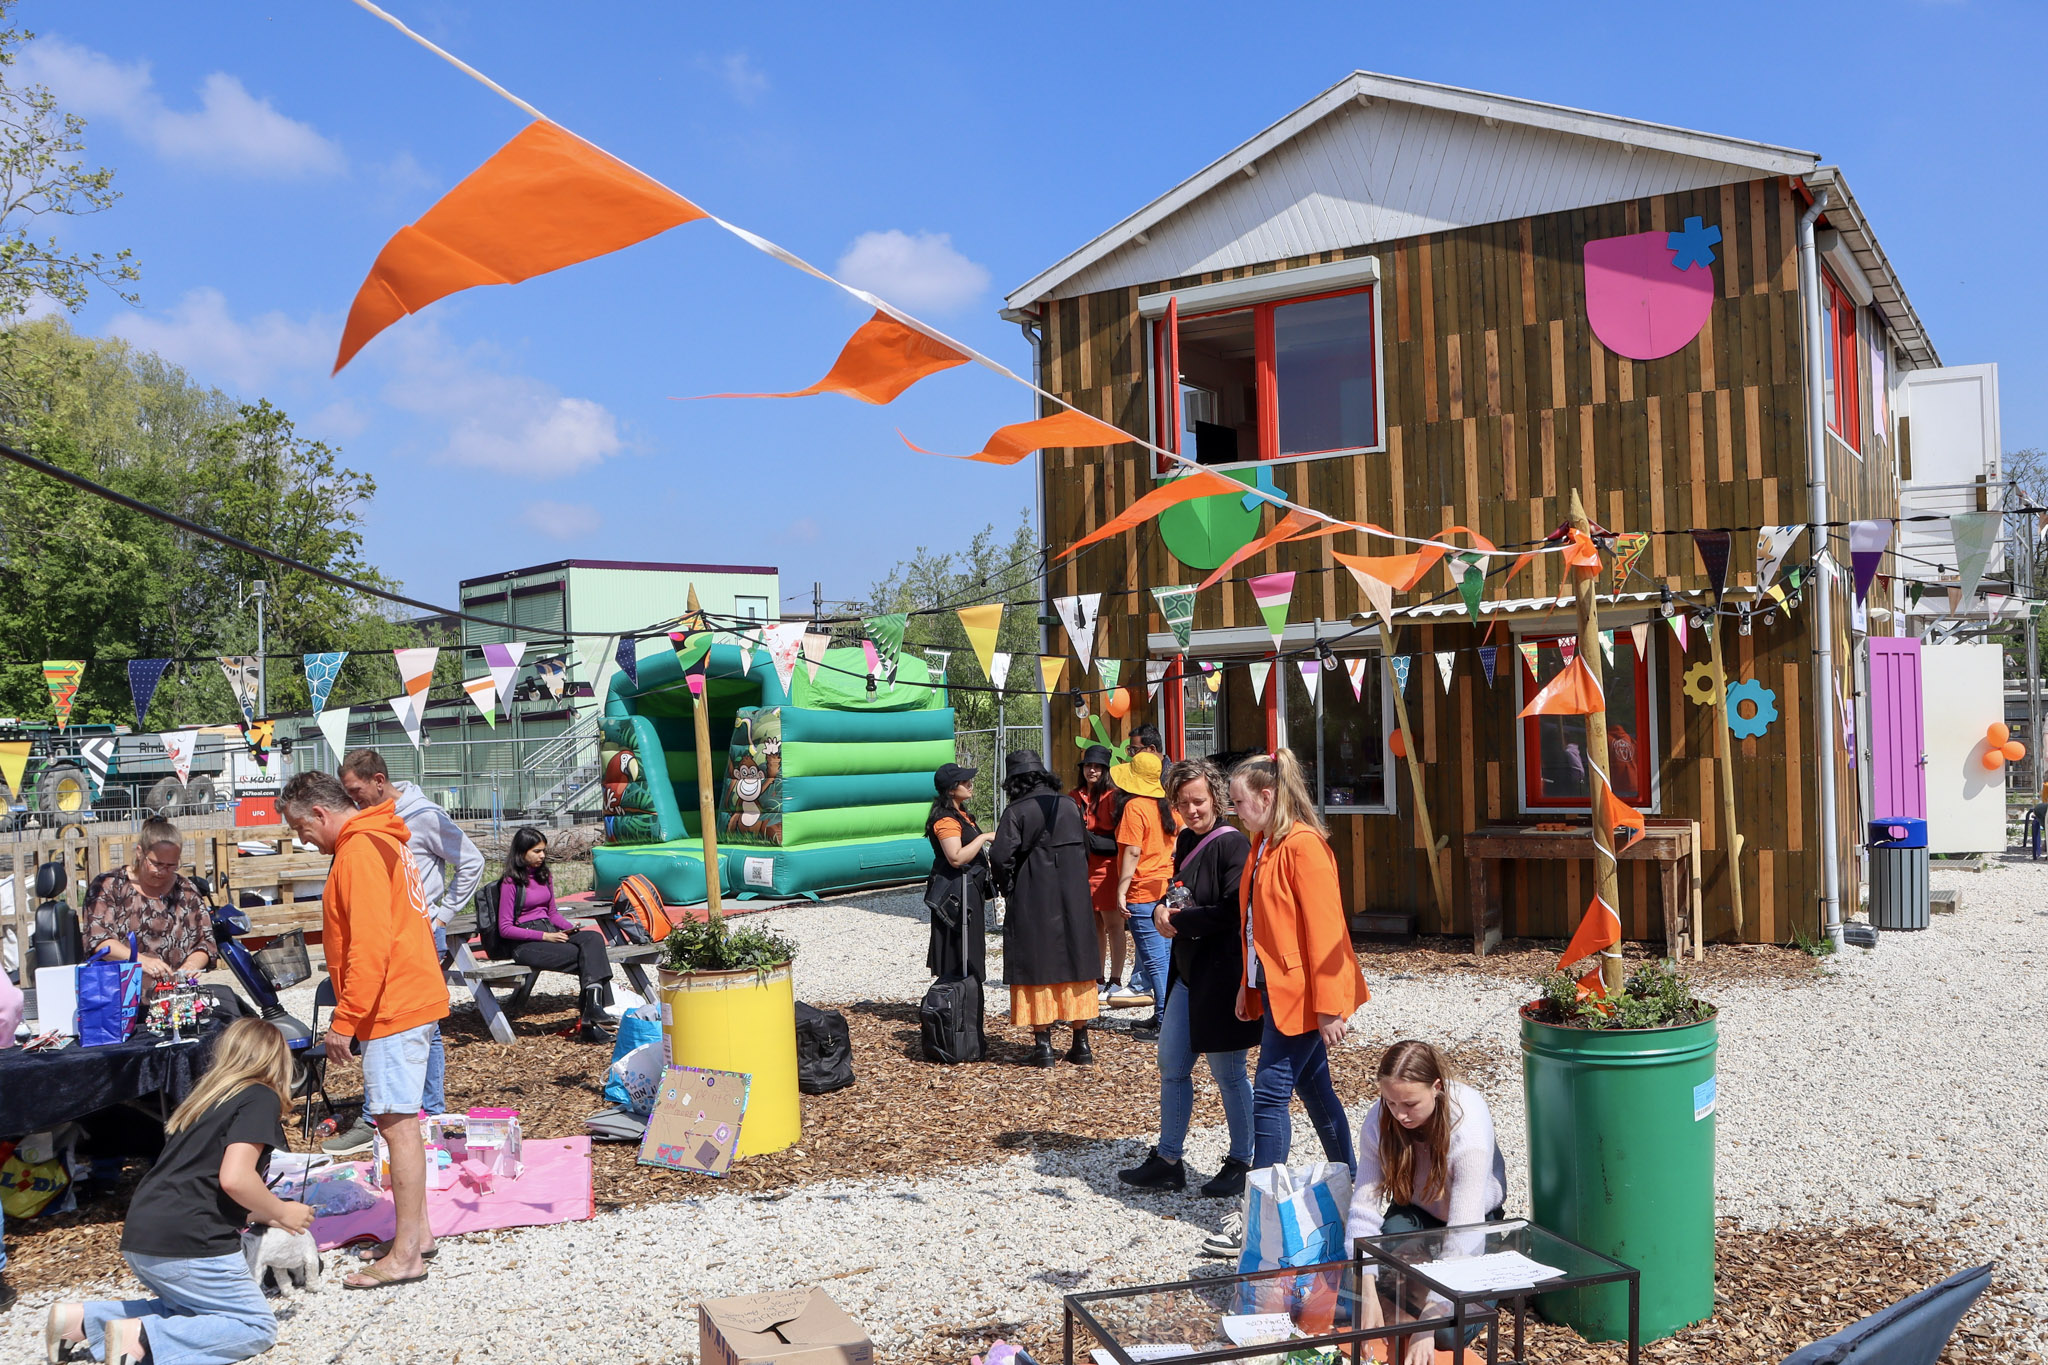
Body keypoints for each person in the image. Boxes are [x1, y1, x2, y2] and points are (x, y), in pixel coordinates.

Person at [44, 1017, 314, 1364]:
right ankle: (141, 1339)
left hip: (146, 1231)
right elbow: (235, 1178)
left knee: (188, 1307)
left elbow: (208, 1182)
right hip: (191, 1239)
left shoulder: (204, 1101)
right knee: (255, 1326)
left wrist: (266, 1213)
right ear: (278, 1061)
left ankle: (82, 1320)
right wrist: (281, 1210)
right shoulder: (259, 1096)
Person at [279, 770, 446, 1290]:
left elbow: (370, 947)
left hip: (393, 1003)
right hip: (403, 997)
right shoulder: (380, 837)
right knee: (402, 1125)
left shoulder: (357, 851)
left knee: (397, 1127)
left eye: (301, 828)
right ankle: (415, 1236)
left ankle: (406, 1257)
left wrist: (344, 1020)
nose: (301, 840)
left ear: (320, 813)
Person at [1204, 748, 1368, 1260]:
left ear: (1267, 797)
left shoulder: (1302, 846)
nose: (1232, 810)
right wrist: (1246, 984)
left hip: (1303, 996)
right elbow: (1255, 927)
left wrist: (1331, 1005)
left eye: (1237, 801)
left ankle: (1262, 1214)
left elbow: (1327, 930)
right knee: (1315, 1091)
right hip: (1279, 991)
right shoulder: (1264, 843)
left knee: (1270, 1092)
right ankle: (1361, 1193)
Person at [327, 750, 484, 1156]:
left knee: (418, 1026)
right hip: (392, 932)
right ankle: (398, 1118)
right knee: (400, 1026)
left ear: (379, 780)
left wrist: (442, 913)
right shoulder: (370, 827)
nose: (354, 801)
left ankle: (416, 1117)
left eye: (357, 791)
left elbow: (472, 861)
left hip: (415, 934)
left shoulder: (424, 816)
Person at [1119, 757, 1259, 1198]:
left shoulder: (1234, 844)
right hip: (1187, 971)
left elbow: (1235, 910)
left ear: (1216, 798)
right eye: (1183, 803)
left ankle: (1243, 1162)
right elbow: (1177, 889)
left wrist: (1180, 920)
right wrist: (1161, 907)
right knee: (1171, 1065)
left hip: (1223, 975)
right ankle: (1168, 1159)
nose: (1192, 810)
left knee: (1229, 1072)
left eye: (1198, 801)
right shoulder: (1183, 839)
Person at [1347, 1041, 1508, 1363]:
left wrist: (1426, 1326)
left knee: (1446, 1333)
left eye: (1409, 1104)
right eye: (1390, 1102)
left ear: (1437, 1087)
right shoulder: (1380, 1117)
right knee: (1358, 1292)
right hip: (1415, 1210)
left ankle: (1496, 1269)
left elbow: (1463, 1230)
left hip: (1473, 1218)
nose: (1400, 1114)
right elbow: (1363, 1207)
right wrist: (1365, 1283)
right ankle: (1411, 1290)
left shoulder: (1469, 1126)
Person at [989, 751, 1101, 1068]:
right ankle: (1081, 1045)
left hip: (1032, 895)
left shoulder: (1016, 811)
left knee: (1036, 965)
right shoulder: (1070, 805)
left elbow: (999, 857)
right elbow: (1085, 845)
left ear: (1015, 782)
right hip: (1074, 896)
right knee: (1077, 961)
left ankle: (1044, 1048)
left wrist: (1007, 885)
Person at [497, 826, 614, 1042]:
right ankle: (591, 1019)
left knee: (593, 939)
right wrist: (545, 937)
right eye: (537, 851)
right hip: (525, 942)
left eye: (543, 851)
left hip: (550, 930)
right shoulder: (510, 882)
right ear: (522, 852)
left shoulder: (544, 875)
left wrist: (570, 927)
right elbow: (505, 928)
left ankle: (592, 1012)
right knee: (591, 958)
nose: (542, 856)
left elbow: (552, 914)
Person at [81, 818, 212, 983]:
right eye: (156, 863)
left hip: (174, 996)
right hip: (118, 993)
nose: (163, 872)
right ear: (140, 853)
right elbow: (99, 942)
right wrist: (142, 961)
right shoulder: (109, 886)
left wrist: (191, 965)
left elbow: (205, 942)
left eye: (171, 865)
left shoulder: (186, 890)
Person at [1113, 751, 1178, 1030]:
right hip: (1165, 888)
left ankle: (1165, 1022)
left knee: (1155, 963)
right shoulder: (1168, 806)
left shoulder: (1135, 807)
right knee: (1166, 959)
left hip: (1141, 890)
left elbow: (1133, 850)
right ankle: (1166, 1016)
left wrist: (1121, 889)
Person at [924, 762, 993, 981]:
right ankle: (954, 1001)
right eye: (964, 782)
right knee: (958, 950)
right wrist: (984, 837)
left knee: (971, 946)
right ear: (951, 789)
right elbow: (956, 857)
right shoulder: (946, 819)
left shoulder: (961, 814)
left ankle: (967, 998)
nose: (970, 784)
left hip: (968, 891)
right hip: (955, 895)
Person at [1070, 745, 1127, 1000]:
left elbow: (1122, 835)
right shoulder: (1074, 795)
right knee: (1093, 925)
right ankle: (1097, 976)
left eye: (1097, 766)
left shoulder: (1115, 796)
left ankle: (1116, 979)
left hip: (1109, 866)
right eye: (1087, 766)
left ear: (1105, 770)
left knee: (1114, 924)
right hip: (1084, 865)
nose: (1091, 770)